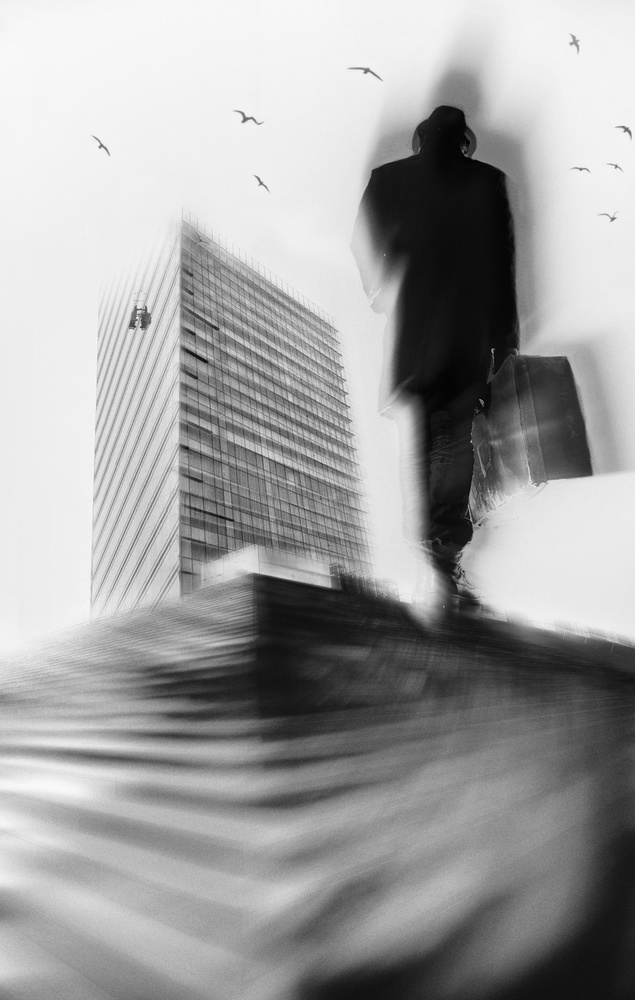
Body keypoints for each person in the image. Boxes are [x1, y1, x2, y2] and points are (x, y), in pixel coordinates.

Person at [351, 105, 519, 614]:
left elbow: (362, 240)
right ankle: (443, 558)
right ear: (462, 140)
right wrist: (504, 344)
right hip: (467, 333)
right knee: (453, 439)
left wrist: (379, 288)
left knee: (424, 439)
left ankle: (436, 558)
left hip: (414, 335)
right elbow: (501, 266)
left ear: (423, 138)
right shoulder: (487, 181)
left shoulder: (389, 178)